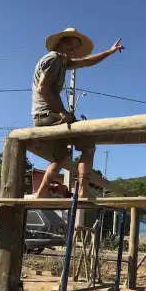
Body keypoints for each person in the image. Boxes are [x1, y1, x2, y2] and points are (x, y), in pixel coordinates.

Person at [32, 27, 124, 199]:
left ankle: (42, 192)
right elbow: (42, 89)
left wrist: (110, 52)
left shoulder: (61, 62)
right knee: (88, 146)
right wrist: (62, 112)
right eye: (69, 45)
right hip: (50, 115)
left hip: (41, 116)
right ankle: (82, 190)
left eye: (74, 48)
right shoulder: (52, 60)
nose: (72, 50)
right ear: (59, 42)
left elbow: (87, 62)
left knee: (61, 158)